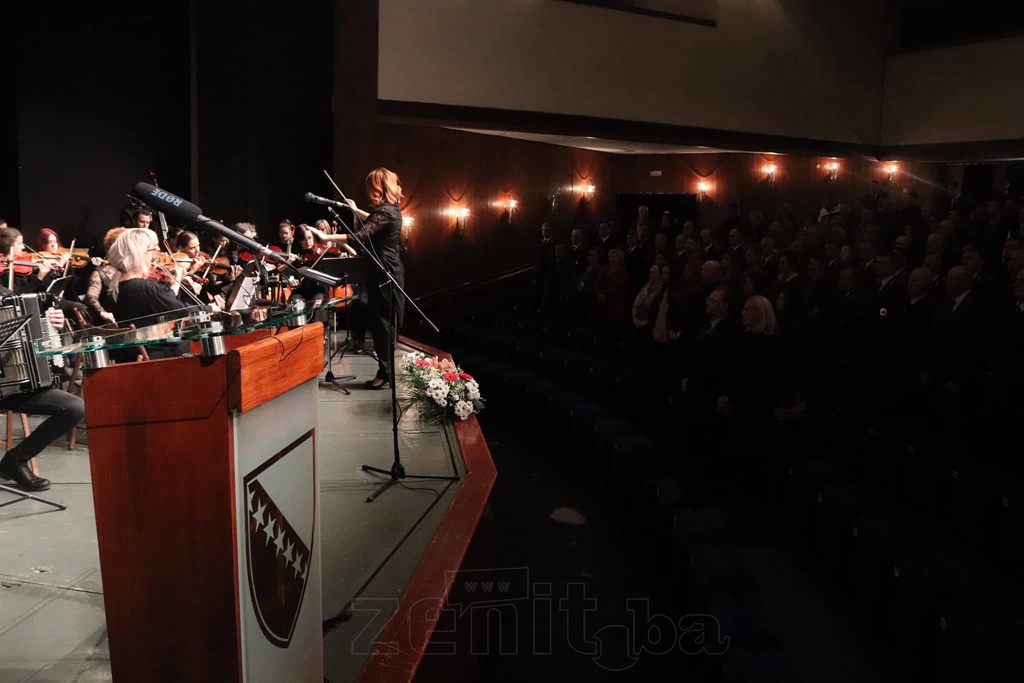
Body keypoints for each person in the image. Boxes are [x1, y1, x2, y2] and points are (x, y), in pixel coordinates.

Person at [307, 168, 405, 388]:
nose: (369, 191)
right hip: (387, 268)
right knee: (382, 321)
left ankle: (385, 373)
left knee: (382, 324)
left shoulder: (386, 212)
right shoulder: (391, 210)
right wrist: (354, 209)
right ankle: (385, 369)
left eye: (371, 186)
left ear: (378, 187)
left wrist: (326, 236)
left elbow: (360, 236)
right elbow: (373, 220)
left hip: (383, 270)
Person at [0, 295, 85, 491]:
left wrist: (54, 325)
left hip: (16, 386)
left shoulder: (7, 295)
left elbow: (36, 330)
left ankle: (15, 460)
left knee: (74, 408)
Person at [106, 228, 191, 359]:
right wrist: (210, 308)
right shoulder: (143, 287)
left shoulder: (116, 284)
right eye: (152, 250)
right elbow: (180, 311)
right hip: (155, 356)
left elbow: (163, 303)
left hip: (133, 353)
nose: (154, 255)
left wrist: (174, 285)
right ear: (141, 253)